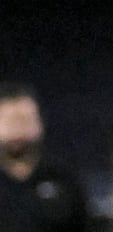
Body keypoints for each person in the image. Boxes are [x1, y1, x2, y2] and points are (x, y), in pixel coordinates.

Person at [0, 83, 90, 232]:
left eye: (24, 120)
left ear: (40, 123)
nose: (17, 129)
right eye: (9, 121)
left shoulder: (64, 179)